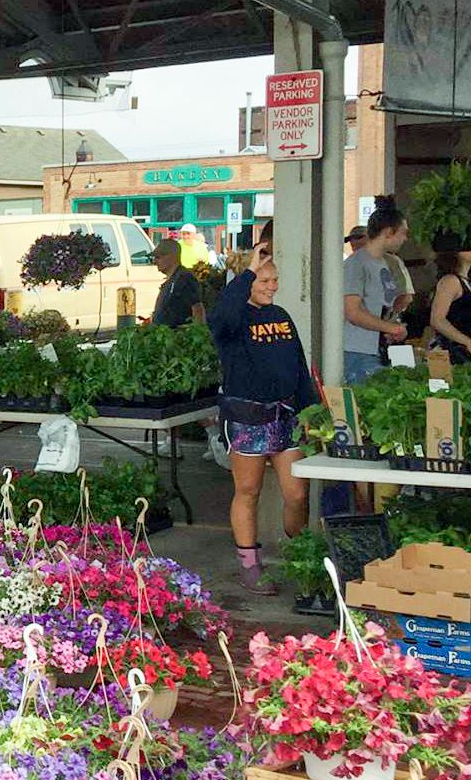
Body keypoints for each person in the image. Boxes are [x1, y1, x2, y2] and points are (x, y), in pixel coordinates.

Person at [211, 243, 319, 596]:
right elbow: (223, 315)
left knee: (297, 493)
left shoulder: (281, 317)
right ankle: (249, 565)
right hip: (246, 418)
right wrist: (246, 273)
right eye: (265, 280)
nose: (273, 286)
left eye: (275, 279)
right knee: (248, 490)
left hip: (284, 418)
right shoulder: (233, 319)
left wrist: (311, 411)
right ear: (246, 282)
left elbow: (300, 367)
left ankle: (300, 553)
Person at [342, 202, 410, 382]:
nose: (406, 239)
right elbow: (353, 312)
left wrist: (390, 328)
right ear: (388, 232)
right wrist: (391, 328)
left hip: (377, 349)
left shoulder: (385, 263)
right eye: (403, 232)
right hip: (357, 352)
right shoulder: (355, 265)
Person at [427, 232, 471, 362]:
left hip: (460, 351)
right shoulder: (450, 281)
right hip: (449, 352)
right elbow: (437, 320)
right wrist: (467, 342)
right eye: (469, 246)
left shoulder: (465, 282)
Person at [149, 237, 204, 327]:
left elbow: (197, 309)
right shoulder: (172, 280)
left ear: (172, 257)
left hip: (178, 337)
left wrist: (197, 332)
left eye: (158, 257)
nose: (155, 261)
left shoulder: (185, 279)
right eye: (154, 257)